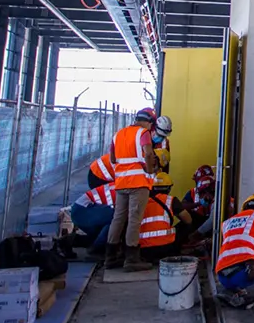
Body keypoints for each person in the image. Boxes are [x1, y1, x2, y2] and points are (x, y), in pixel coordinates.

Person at [106, 107, 160, 271]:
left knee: (118, 219)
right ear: (149, 121)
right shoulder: (143, 133)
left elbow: (113, 158)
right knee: (134, 220)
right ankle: (131, 259)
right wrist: (150, 170)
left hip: (121, 183)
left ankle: (110, 257)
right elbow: (148, 153)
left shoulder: (119, 134)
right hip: (138, 184)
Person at [138, 172, 195, 263]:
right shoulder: (171, 200)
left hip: (144, 251)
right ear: (169, 188)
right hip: (166, 249)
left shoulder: (142, 200)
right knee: (187, 224)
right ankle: (177, 250)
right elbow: (188, 220)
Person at [71, 183, 115, 255]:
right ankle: (97, 248)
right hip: (82, 211)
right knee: (117, 218)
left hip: (82, 211)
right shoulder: (126, 191)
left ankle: (74, 240)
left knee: (113, 224)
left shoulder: (124, 185)